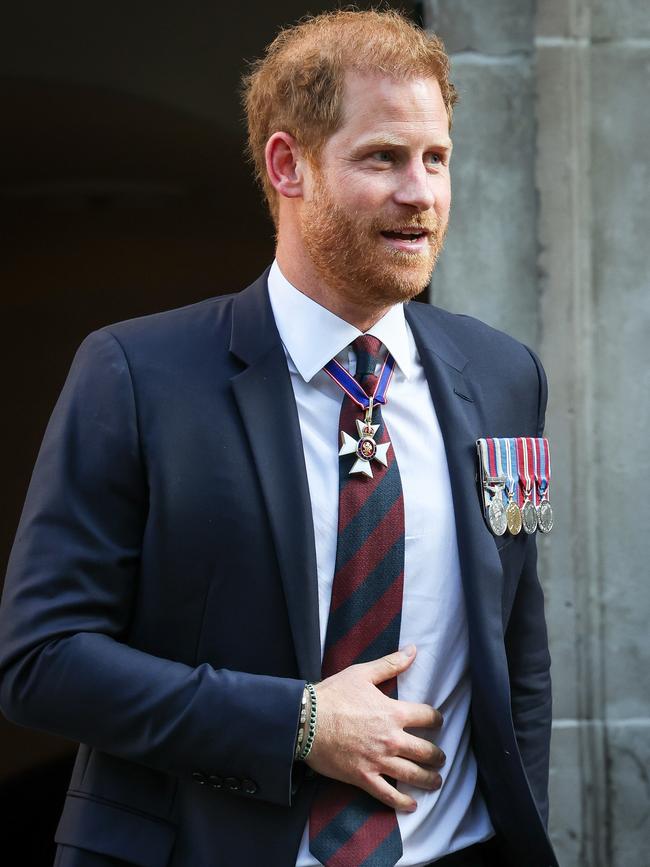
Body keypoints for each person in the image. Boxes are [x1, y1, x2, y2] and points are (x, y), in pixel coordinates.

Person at [0, 10, 558, 867]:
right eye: (383, 157)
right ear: (288, 165)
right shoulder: (135, 376)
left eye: (436, 158)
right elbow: (43, 661)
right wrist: (299, 724)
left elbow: (518, 651)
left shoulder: (504, 374)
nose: (422, 193)